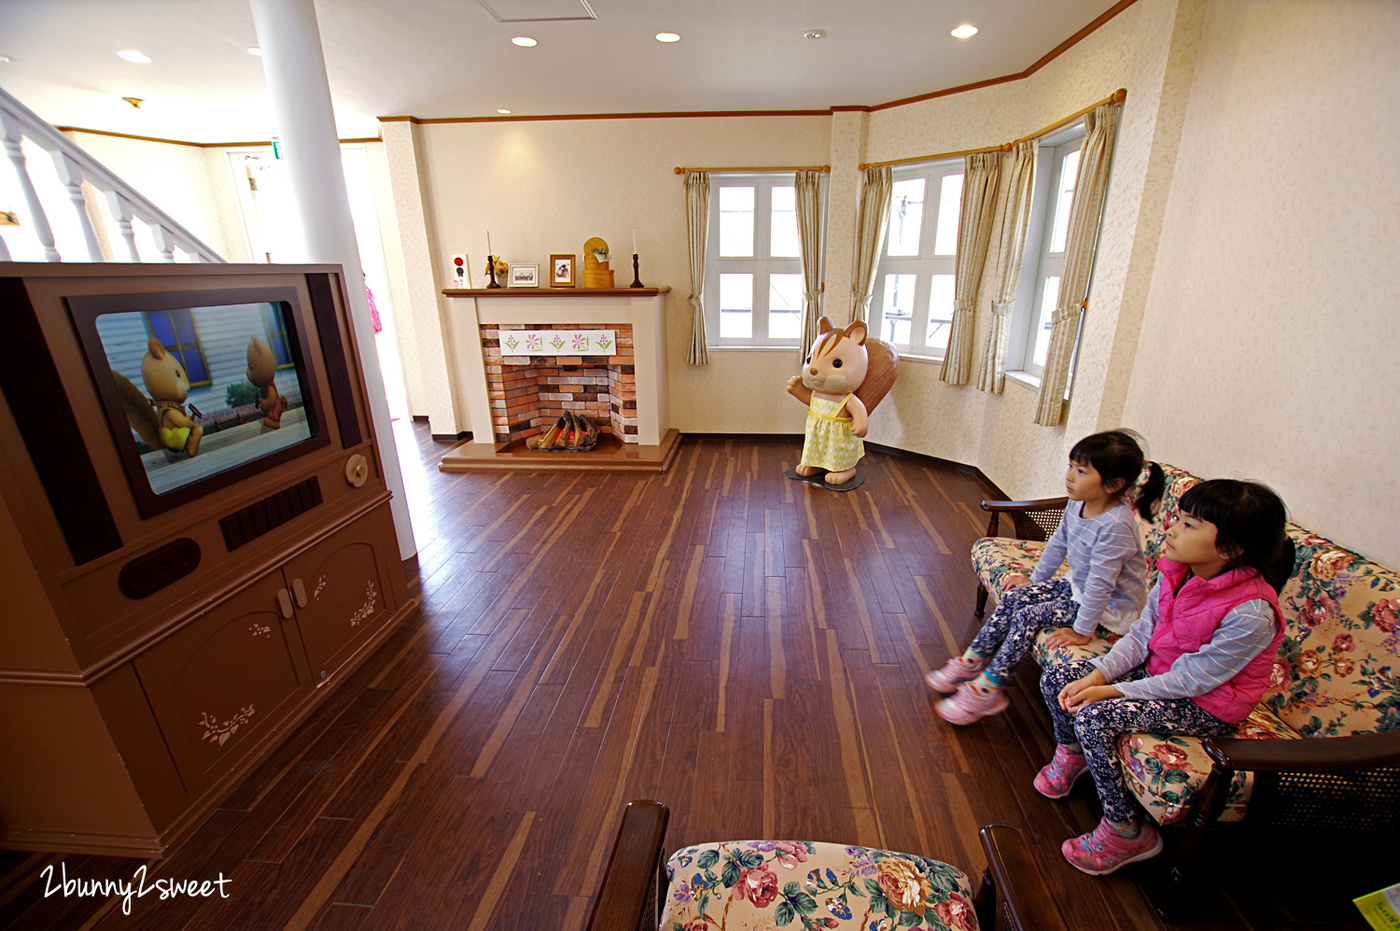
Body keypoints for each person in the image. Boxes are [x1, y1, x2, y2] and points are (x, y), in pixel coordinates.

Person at [1033, 479, 1293, 875]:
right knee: (1061, 676)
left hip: (1207, 705)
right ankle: (1074, 753)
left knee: (1095, 714)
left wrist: (1111, 690)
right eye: (1180, 518)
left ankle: (1125, 830)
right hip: (1161, 672)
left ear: (1230, 548)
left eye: (1190, 525)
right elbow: (1141, 636)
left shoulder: (1252, 613)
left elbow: (1193, 681)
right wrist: (1099, 674)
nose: (1170, 529)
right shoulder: (1178, 571)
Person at [928, 430, 1166, 725]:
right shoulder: (1078, 502)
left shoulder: (1116, 525)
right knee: (1016, 597)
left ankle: (986, 689)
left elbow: (1102, 585)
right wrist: (1035, 580)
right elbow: (1058, 542)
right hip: (1079, 587)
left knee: (1029, 616)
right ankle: (971, 661)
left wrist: (1082, 630)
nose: (1070, 476)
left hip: (1109, 608)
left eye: (1081, 471)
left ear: (1114, 484)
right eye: (1071, 466)